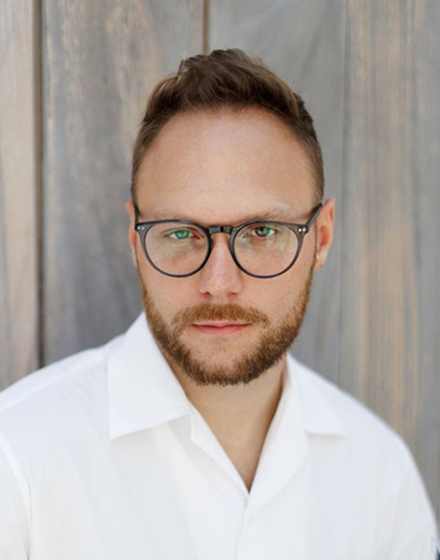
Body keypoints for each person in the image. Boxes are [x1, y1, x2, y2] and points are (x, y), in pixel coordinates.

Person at [0, 49, 437, 560]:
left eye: (263, 232)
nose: (219, 283)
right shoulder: (18, 459)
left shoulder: (380, 475)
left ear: (321, 238)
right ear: (135, 240)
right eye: (180, 233)